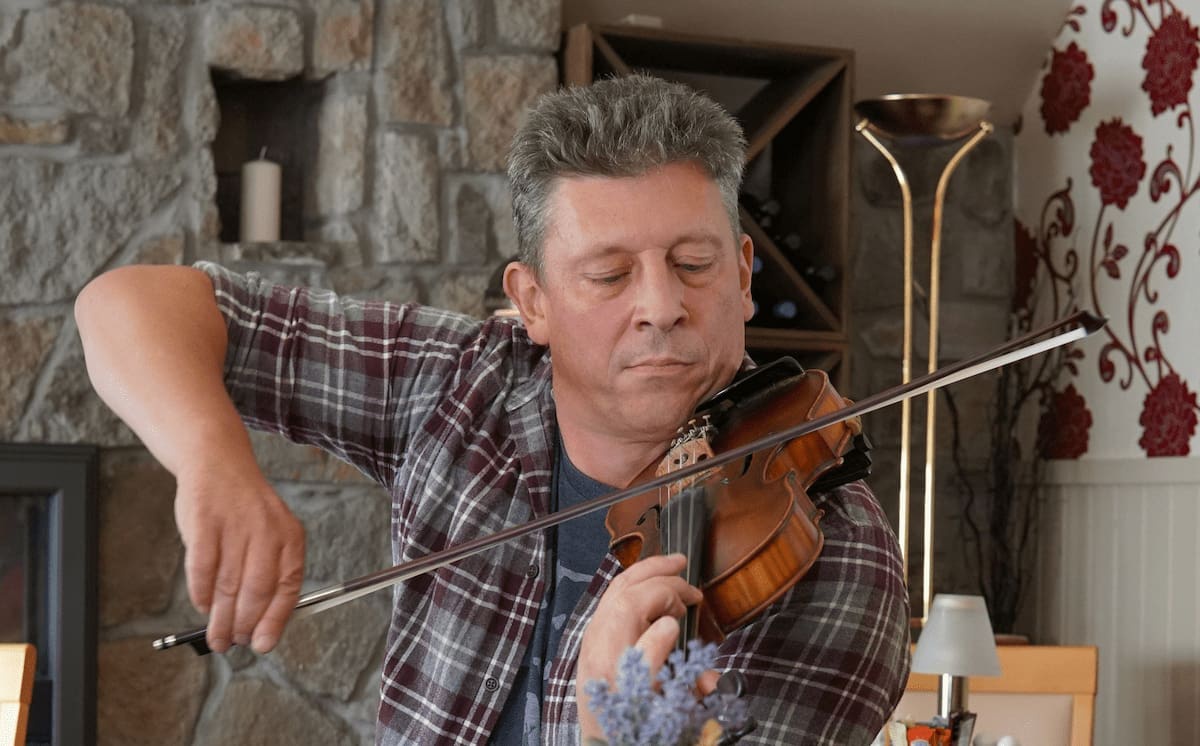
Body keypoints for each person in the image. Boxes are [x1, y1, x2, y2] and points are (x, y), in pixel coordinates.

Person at [76, 74, 910, 744]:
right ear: (532, 301)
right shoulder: (461, 381)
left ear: (743, 274)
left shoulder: (832, 548)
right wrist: (214, 462)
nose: (660, 305)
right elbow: (130, 302)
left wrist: (606, 730)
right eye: (610, 275)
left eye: (692, 264)